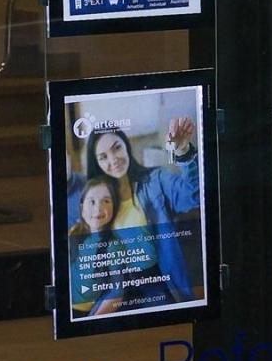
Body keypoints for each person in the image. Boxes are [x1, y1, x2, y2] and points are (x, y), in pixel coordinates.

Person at [78, 118, 201, 304]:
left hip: (159, 283)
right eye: (103, 157)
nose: (113, 159)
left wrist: (182, 150)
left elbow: (194, 194)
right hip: (114, 289)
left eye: (116, 148)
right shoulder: (95, 200)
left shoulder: (156, 181)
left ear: (126, 146)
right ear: (97, 163)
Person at [68, 174, 129, 316]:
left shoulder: (113, 245)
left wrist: (91, 320)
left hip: (82, 312)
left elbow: (117, 291)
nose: (98, 208)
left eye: (106, 201)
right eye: (92, 202)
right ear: (82, 208)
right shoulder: (74, 233)